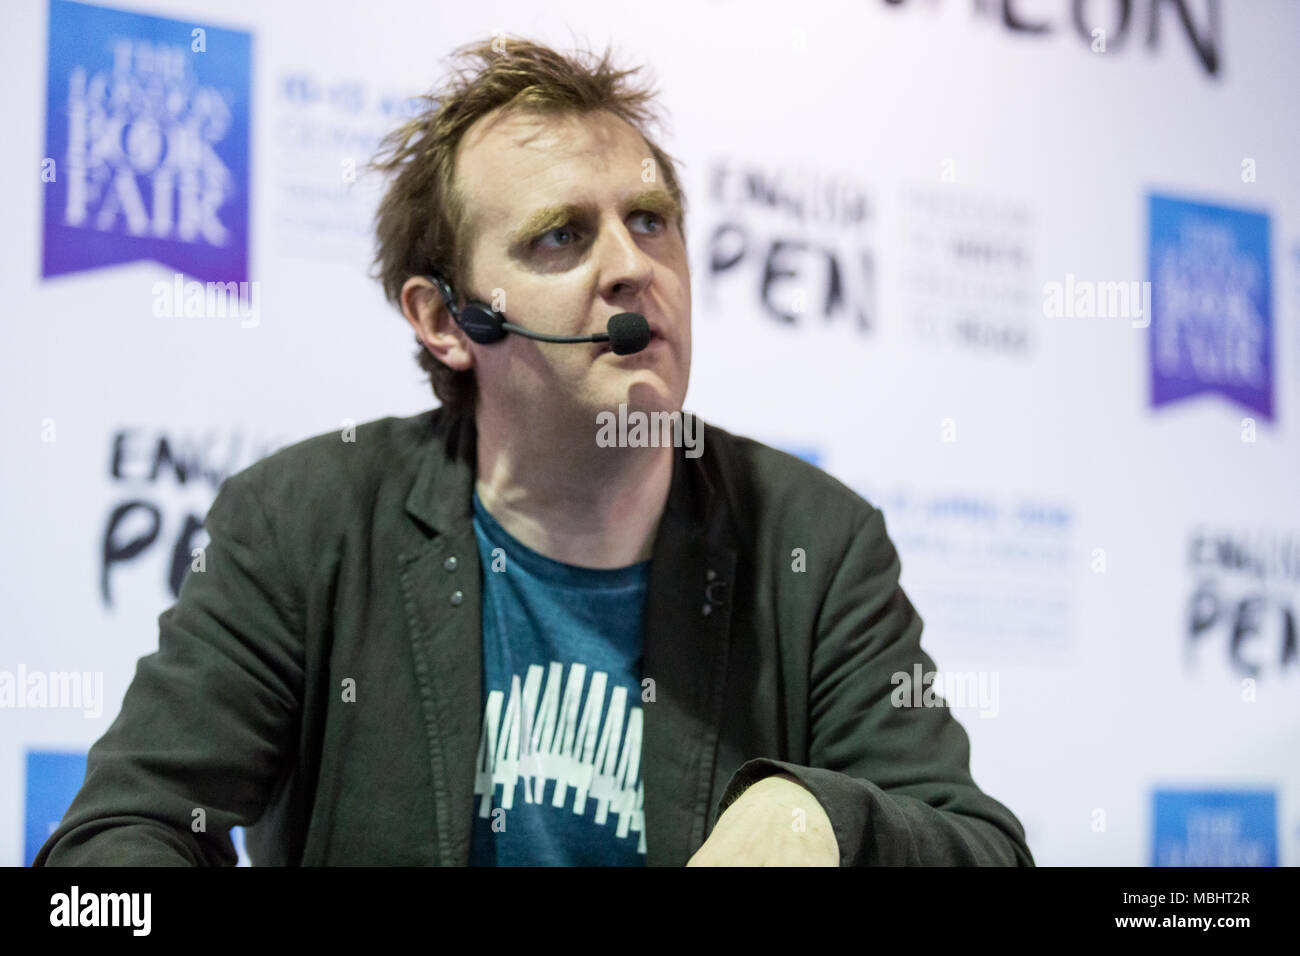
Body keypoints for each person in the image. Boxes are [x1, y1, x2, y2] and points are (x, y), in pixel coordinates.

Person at [35, 36, 1033, 867]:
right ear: (445, 319)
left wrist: (825, 820)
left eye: (651, 222)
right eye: (561, 236)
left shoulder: (815, 543)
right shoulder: (305, 521)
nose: (631, 267)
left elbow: (976, 843)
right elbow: (120, 838)